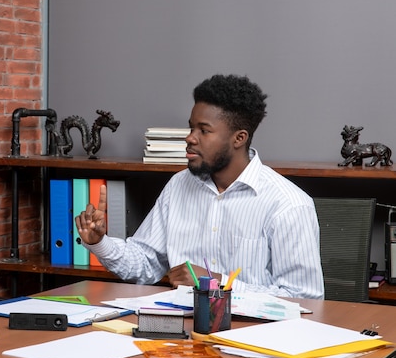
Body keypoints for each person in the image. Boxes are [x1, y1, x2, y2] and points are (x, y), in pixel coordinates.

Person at [75, 74, 324, 299]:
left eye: (204, 130)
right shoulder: (179, 185)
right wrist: (99, 242)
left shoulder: (289, 204)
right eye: (191, 127)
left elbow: (304, 299)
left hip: (254, 336)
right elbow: (146, 264)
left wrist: (218, 283)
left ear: (239, 138)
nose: (190, 138)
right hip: (182, 331)